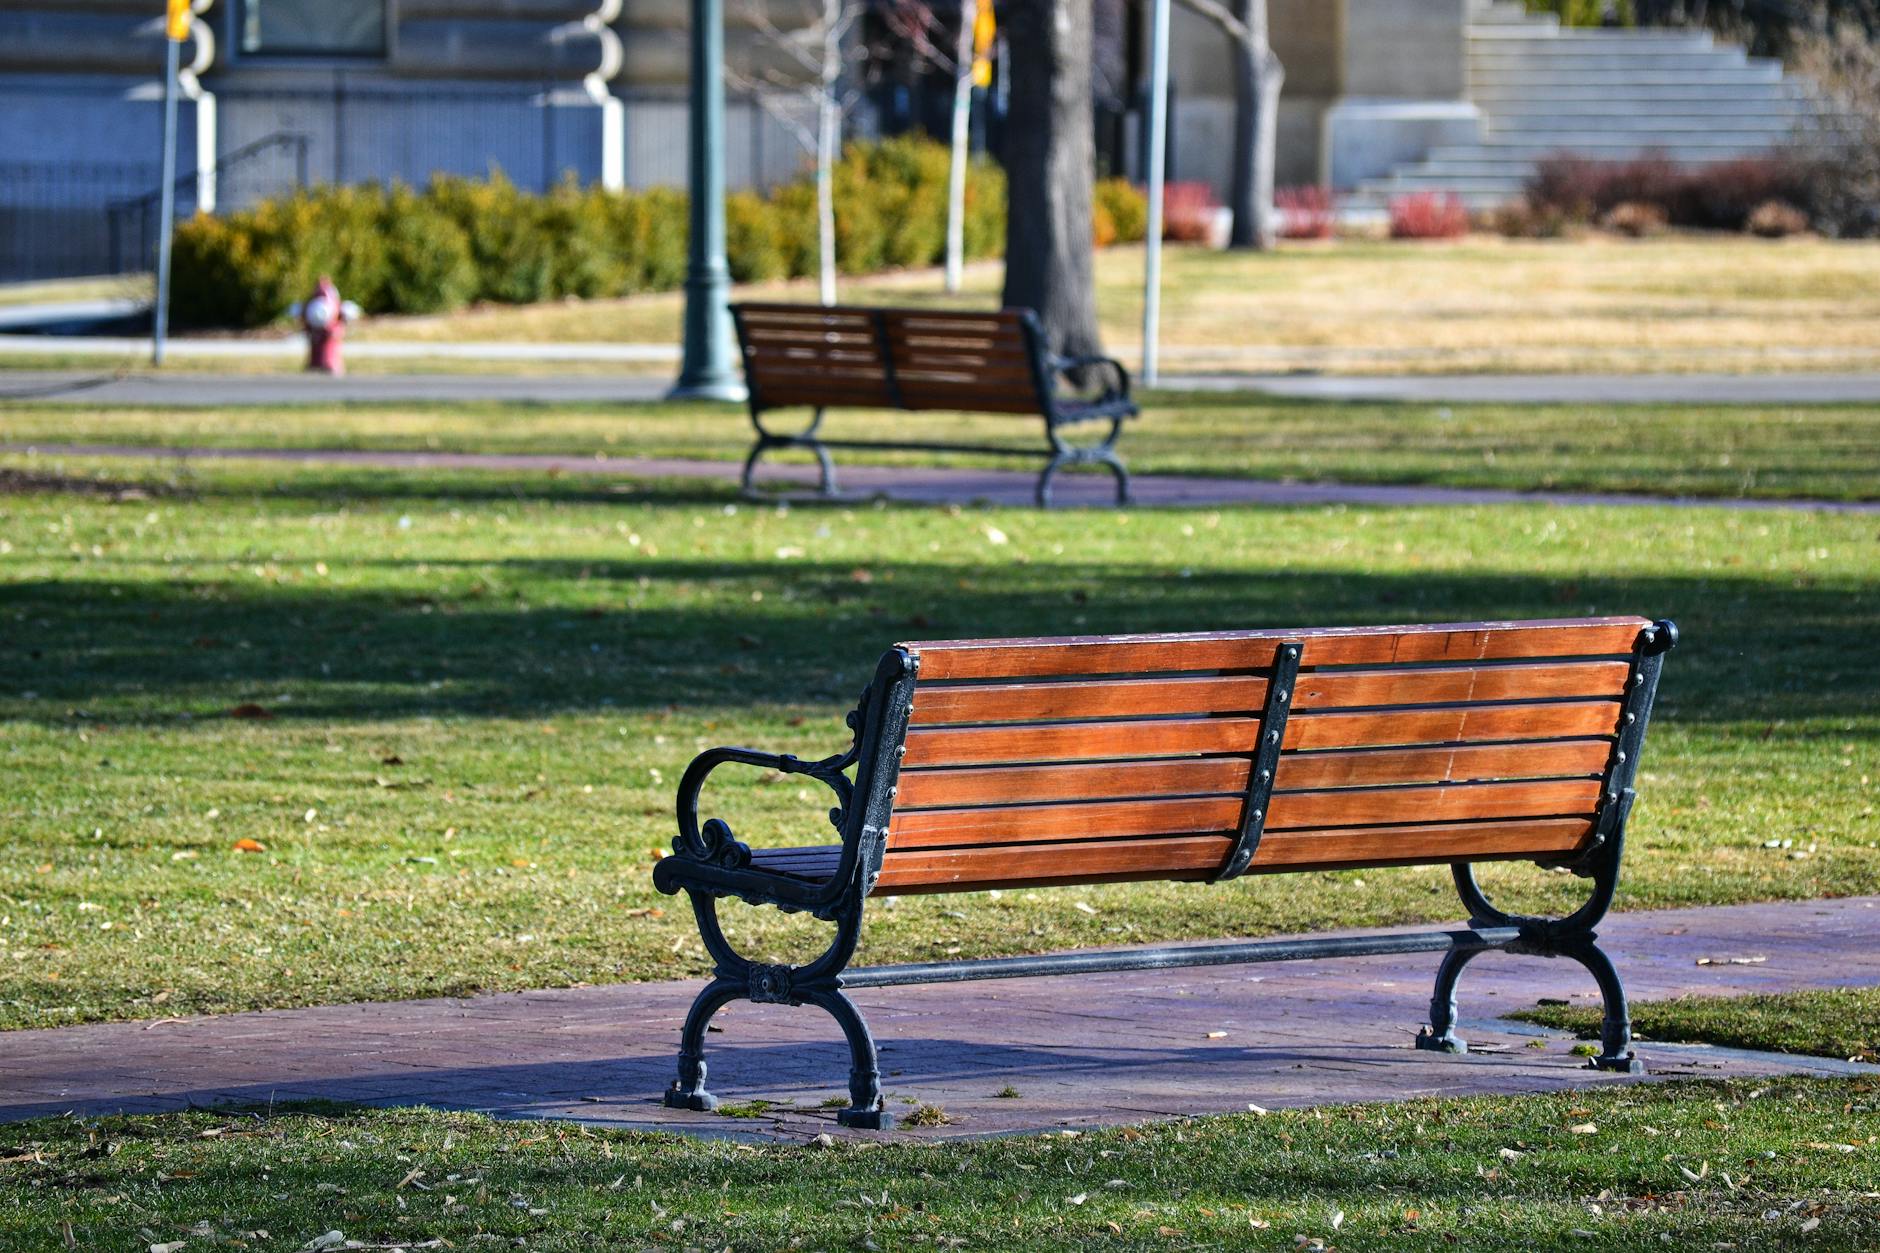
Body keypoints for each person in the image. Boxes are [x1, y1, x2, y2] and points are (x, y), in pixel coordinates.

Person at [297, 276, 360, 375]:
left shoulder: (331, 299)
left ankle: (328, 363)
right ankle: (317, 364)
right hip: (316, 343)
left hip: (332, 359)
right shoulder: (315, 301)